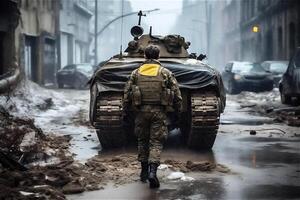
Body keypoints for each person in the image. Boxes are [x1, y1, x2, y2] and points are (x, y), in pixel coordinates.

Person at [123, 45, 182, 188]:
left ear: (144, 56)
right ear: (158, 56)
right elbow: (177, 94)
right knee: (156, 142)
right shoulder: (165, 72)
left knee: (142, 140)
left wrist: (126, 111)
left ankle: (143, 172)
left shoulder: (136, 73)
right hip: (159, 112)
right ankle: (152, 173)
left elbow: (126, 94)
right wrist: (177, 112)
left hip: (141, 112)